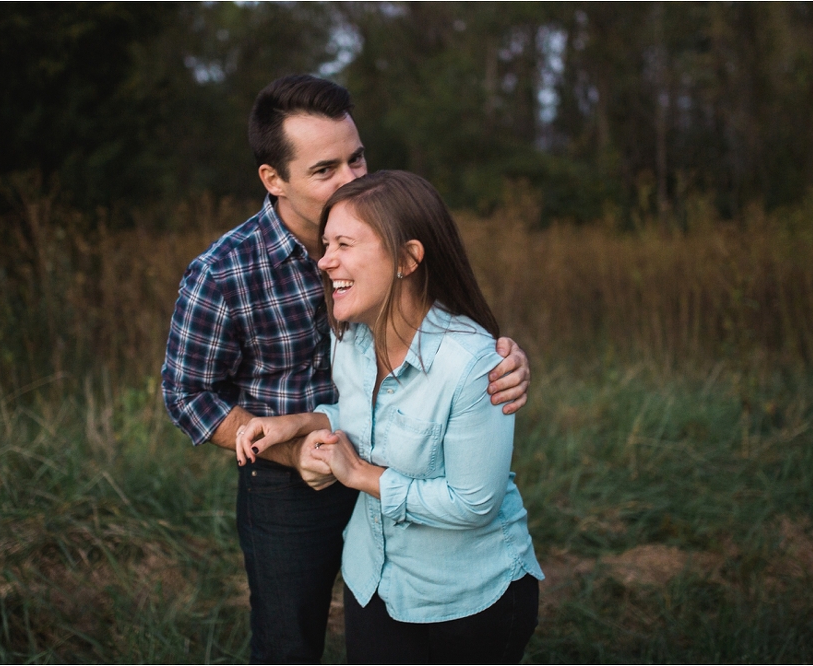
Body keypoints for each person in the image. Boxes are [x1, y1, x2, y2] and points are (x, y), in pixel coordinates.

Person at [161, 75, 532, 664]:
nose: (353, 179)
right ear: (273, 179)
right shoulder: (222, 273)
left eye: (357, 157)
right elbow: (186, 394)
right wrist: (290, 447)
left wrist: (504, 358)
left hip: (400, 456)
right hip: (288, 481)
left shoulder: (390, 224)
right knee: (290, 642)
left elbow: (445, 321)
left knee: (395, 616)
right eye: (325, 170)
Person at [236, 171, 543, 664]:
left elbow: (473, 504)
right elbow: (369, 418)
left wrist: (361, 475)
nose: (324, 260)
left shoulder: (471, 365)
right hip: (373, 577)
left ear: (407, 258)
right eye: (325, 243)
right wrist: (299, 423)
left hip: (467, 598)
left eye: (343, 244)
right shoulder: (350, 338)